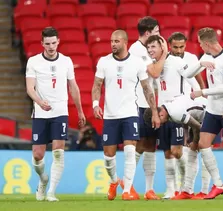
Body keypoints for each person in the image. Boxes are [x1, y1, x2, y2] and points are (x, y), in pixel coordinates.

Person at [174, 27, 223, 200]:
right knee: (203, 144)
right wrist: (199, 64)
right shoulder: (205, 57)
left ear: (206, 43)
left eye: (200, 43)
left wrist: (202, 92)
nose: (199, 46)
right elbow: (186, 73)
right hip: (212, 110)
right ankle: (218, 184)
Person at [91, 30, 160, 201]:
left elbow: (146, 88)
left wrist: (154, 111)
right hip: (110, 114)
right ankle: (114, 181)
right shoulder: (104, 62)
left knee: (130, 150)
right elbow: (97, 85)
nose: (113, 44)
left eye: (116, 41)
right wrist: (95, 104)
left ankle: (127, 190)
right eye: (111, 41)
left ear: (125, 42)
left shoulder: (137, 63)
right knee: (108, 156)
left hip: (130, 113)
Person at [25, 27, 86, 201]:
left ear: (58, 41)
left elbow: (73, 87)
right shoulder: (34, 61)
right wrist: (39, 101)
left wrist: (80, 110)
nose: (51, 47)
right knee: (37, 155)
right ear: (42, 43)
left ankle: (51, 191)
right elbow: (30, 87)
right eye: (48, 44)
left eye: (54, 43)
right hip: (41, 112)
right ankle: (43, 179)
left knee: (58, 151)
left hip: (60, 112)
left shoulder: (66, 61)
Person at [146, 35, 201, 199]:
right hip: (163, 113)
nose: (150, 51)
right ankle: (172, 190)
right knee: (167, 152)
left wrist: (196, 98)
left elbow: (193, 82)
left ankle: (186, 185)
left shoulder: (177, 62)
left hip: (177, 111)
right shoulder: (156, 65)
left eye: (153, 47)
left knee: (177, 151)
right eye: (149, 48)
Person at [167, 32, 212, 197]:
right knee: (181, 150)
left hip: (195, 106)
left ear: (186, 45)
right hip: (177, 109)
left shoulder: (192, 58)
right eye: (175, 47)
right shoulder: (166, 61)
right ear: (169, 45)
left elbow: (197, 79)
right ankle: (184, 188)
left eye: (181, 47)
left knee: (202, 146)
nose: (179, 50)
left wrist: (204, 95)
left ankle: (205, 190)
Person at [128, 16, 164, 200]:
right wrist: (164, 52)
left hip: (149, 103)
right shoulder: (136, 49)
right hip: (137, 103)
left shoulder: (147, 50)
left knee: (150, 144)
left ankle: (149, 189)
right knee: (139, 144)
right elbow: (155, 72)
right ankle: (128, 186)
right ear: (148, 33)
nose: (160, 36)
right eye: (157, 32)